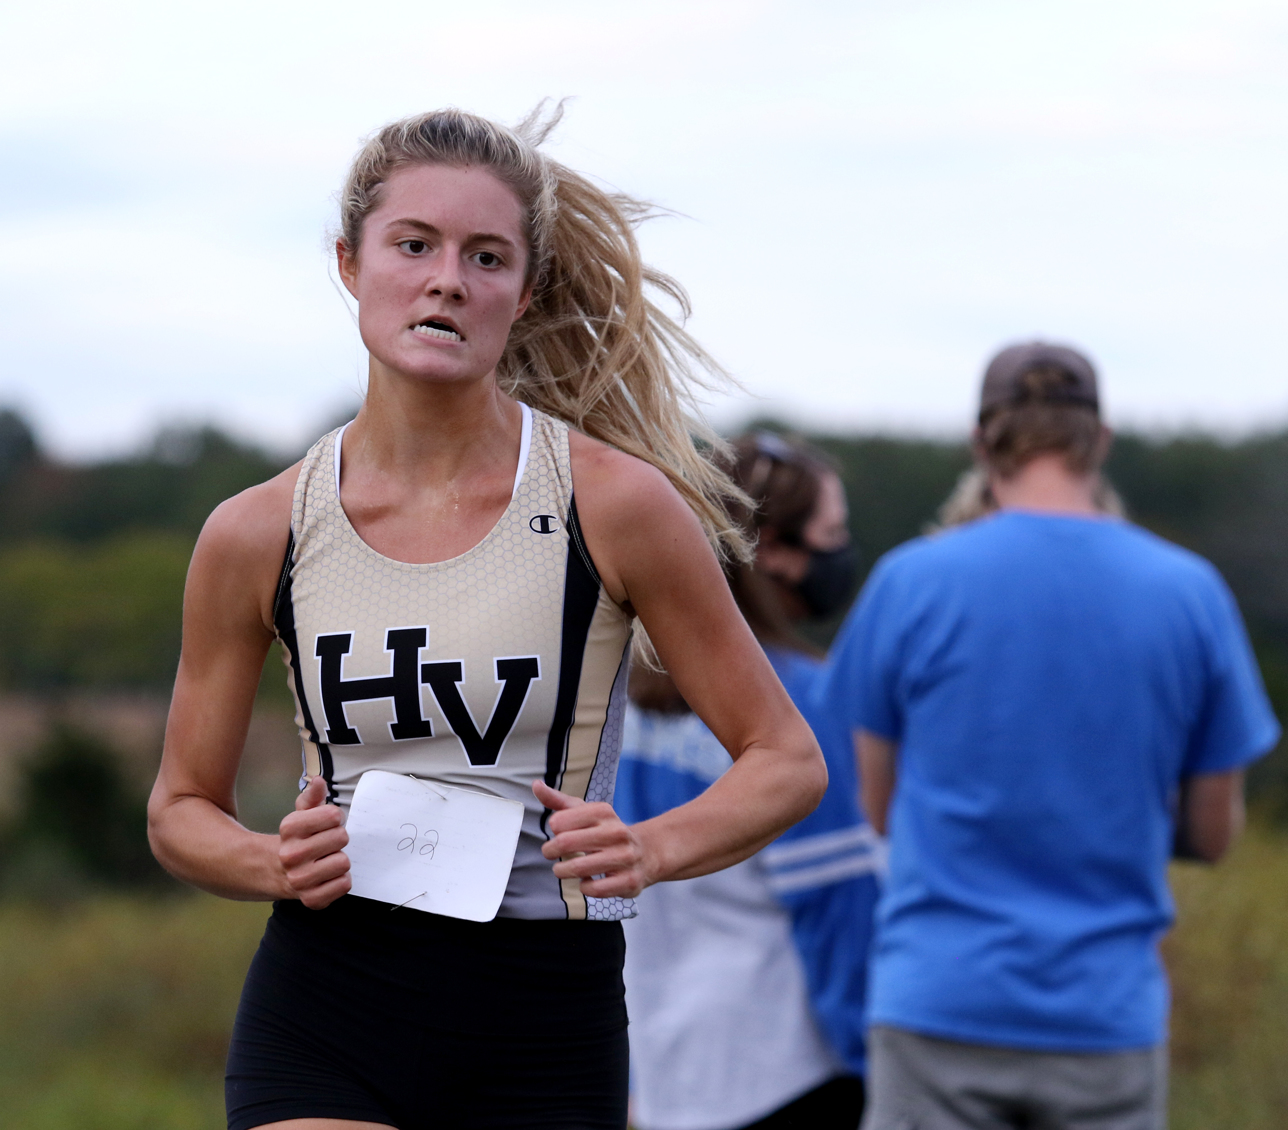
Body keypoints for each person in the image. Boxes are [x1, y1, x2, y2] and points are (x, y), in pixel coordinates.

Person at [146, 106, 826, 1130]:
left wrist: (650, 847)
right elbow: (177, 808)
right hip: (329, 992)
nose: (446, 280)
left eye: (486, 256)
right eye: (412, 245)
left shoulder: (618, 504)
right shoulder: (255, 530)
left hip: (542, 1008)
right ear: (350, 262)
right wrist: (266, 860)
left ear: (525, 289)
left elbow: (785, 758)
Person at [824, 342, 1280, 1130]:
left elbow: (879, 809)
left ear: (980, 442)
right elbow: (1211, 833)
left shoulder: (911, 582)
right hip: (1103, 1018)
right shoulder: (1189, 592)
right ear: (1099, 441)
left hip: (938, 1004)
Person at [617, 432, 879, 1130]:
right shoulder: (803, 703)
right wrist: (878, 1073)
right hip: (785, 1072)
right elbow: (840, 908)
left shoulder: (617, 696)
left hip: (657, 1073)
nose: (840, 553)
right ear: (778, 550)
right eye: (834, 533)